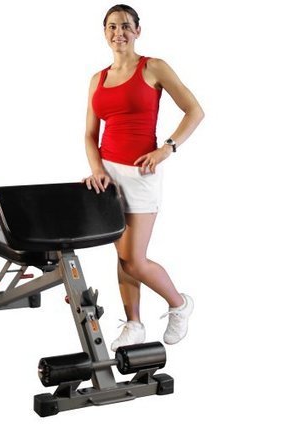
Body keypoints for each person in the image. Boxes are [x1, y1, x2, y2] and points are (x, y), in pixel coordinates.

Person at [82, 4, 204, 352]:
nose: (118, 32)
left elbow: (195, 111)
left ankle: (179, 303)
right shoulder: (98, 78)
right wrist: (97, 169)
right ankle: (133, 323)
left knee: (134, 258)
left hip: (140, 174)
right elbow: (90, 134)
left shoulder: (153, 67)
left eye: (125, 26)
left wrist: (167, 148)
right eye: (111, 26)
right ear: (104, 33)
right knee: (122, 257)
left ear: (137, 30)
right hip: (107, 176)